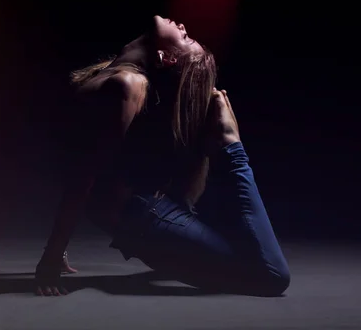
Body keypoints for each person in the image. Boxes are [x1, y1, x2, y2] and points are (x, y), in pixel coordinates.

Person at [35, 16, 291, 297]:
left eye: (185, 38)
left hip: (147, 219)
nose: (183, 26)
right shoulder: (111, 77)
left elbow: (83, 180)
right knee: (241, 257)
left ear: (166, 58)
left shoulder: (125, 85)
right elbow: (78, 163)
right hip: (146, 218)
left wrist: (52, 255)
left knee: (272, 275)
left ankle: (231, 146)